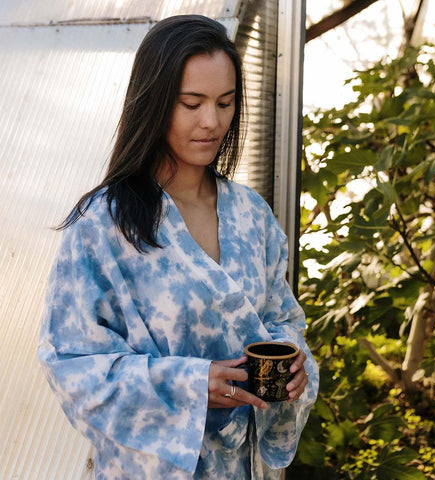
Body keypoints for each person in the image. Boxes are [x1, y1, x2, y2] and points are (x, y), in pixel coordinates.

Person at [38, 14, 319, 480]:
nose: (211, 122)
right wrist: (189, 385)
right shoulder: (103, 225)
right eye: (191, 103)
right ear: (154, 102)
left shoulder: (252, 215)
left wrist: (294, 363)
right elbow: (70, 364)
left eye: (225, 103)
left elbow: (282, 319)